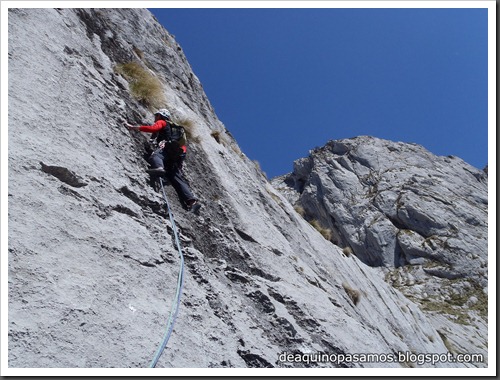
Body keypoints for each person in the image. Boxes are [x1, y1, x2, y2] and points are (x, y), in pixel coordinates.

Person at [125, 109, 199, 211]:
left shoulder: (162, 122)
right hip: (178, 153)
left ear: (160, 116)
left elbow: (153, 128)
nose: (155, 118)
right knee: (175, 175)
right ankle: (191, 201)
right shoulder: (174, 129)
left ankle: (159, 168)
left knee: (156, 156)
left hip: (167, 147)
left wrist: (134, 128)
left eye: (156, 116)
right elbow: (182, 147)